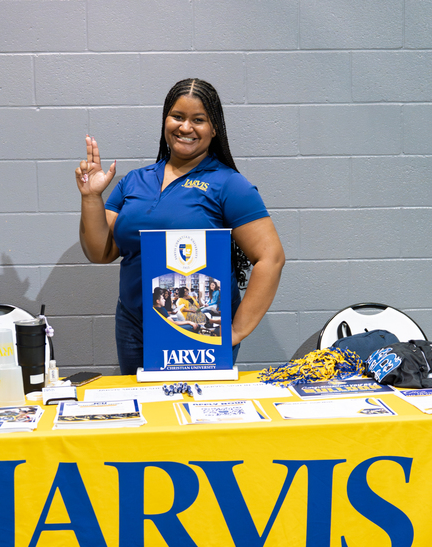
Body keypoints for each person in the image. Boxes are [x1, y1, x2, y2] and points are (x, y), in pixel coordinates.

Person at [75, 78, 285, 375]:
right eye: (178, 117)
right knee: (148, 417)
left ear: (214, 129)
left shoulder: (228, 184)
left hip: (194, 327)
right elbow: (100, 252)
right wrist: (92, 198)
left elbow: (271, 258)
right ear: (165, 121)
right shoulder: (135, 181)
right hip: (133, 326)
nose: (186, 127)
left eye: (198, 120)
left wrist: (235, 331)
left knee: (194, 418)